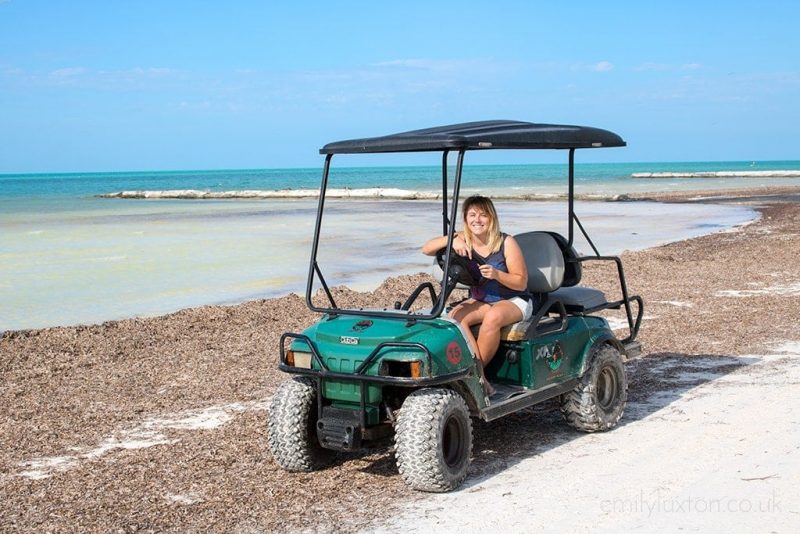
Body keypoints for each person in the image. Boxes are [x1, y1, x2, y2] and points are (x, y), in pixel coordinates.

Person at [422, 196, 532, 396]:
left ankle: (476, 377)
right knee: (455, 318)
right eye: (472, 215)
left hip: (513, 300)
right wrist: (452, 239)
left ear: (491, 218)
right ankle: (478, 375)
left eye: (483, 215)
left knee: (493, 318)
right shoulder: (463, 238)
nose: (477, 220)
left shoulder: (506, 242)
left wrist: (497, 275)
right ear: (465, 218)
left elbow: (521, 282)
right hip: (482, 299)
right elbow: (426, 249)